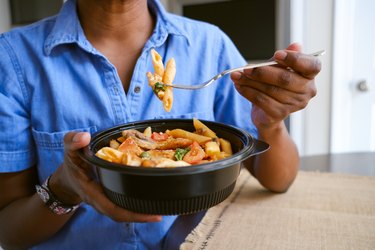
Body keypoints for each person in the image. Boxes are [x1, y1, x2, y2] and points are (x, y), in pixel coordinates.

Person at [0, 0, 321, 249]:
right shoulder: (13, 59)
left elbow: (278, 179)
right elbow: (10, 234)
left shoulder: (210, 46)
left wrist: (271, 123)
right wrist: (64, 188)